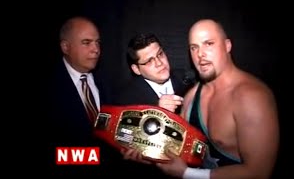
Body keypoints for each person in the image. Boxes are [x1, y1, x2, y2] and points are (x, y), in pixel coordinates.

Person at [154, 19, 280, 179]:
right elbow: (176, 147)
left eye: (209, 43)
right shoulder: (192, 96)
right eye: (194, 47)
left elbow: (259, 172)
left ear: (227, 46)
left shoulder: (252, 97)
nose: (200, 54)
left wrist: (187, 174)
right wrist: (145, 147)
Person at [47, 16, 122, 176]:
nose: (96, 49)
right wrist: (98, 157)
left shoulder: (107, 80)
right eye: (86, 42)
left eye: (98, 42)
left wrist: (124, 149)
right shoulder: (48, 89)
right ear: (66, 47)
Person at [114, 33, 193, 178]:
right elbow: (124, 143)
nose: (159, 63)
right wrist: (157, 111)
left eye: (160, 54)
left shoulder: (187, 80)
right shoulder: (125, 100)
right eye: (149, 61)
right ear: (136, 69)